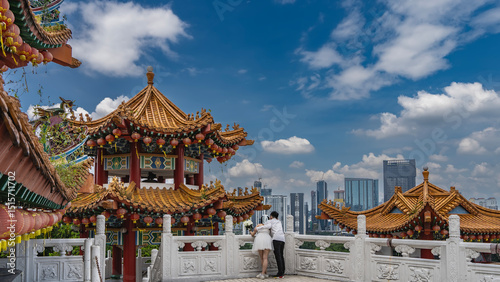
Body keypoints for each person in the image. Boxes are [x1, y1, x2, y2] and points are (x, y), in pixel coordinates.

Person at [256, 211, 285, 278]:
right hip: (282, 239)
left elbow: (266, 226)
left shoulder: (270, 221)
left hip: (276, 239)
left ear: (271, 216)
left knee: (278, 256)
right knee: (281, 256)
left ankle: (280, 274)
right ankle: (282, 272)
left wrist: (258, 228)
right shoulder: (279, 221)